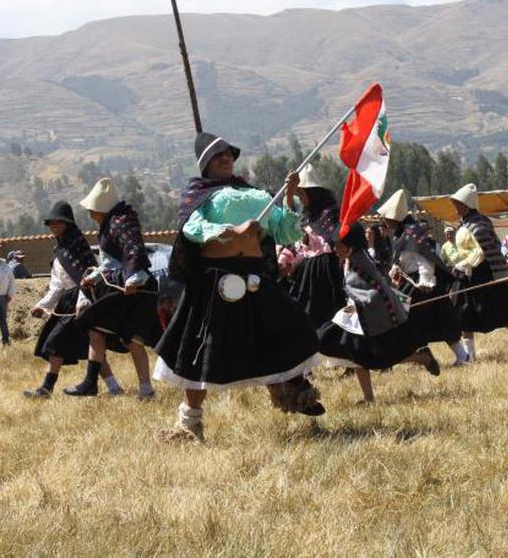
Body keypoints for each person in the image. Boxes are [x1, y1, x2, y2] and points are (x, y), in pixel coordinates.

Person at [153, 132, 324, 442]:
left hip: (255, 276)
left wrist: (288, 196)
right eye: (218, 155)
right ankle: (189, 424)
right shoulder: (198, 195)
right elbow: (193, 231)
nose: (226, 158)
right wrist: (234, 230)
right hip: (215, 280)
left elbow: (285, 233)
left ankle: (295, 393)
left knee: (288, 327)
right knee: (202, 351)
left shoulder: (255, 193)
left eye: (229, 153)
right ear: (205, 163)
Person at [317, 223, 439, 403]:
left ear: (350, 245)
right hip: (357, 314)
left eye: (339, 245)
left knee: (381, 357)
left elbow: (374, 291)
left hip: (371, 313)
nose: (335, 249)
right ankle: (369, 398)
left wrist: (358, 304)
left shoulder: (360, 262)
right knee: (355, 355)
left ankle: (421, 358)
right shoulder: (352, 258)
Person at [70, 177, 160, 400]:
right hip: (120, 284)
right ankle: (105, 384)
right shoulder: (110, 224)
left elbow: (134, 250)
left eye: (93, 210)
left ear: (102, 208)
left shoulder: (121, 222)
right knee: (111, 333)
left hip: (132, 287)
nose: (91, 214)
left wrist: (134, 278)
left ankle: (142, 390)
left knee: (125, 336)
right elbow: (109, 263)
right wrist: (93, 275)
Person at [444, 183, 508, 360]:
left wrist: (463, 265)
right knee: (465, 314)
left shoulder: (478, 225)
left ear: (466, 206)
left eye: (458, 205)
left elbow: (481, 253)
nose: (456, 208)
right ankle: (469, 357)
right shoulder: (468, 223)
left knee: (502, 313)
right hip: (470, 275)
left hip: (483, 274)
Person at [378, 189, 465, 365]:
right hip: (409, 284)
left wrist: (426, 281)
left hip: (422, 287)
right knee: (414, 324)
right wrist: (395, 269)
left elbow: (424, 259)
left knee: (441, 321)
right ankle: (421, 357)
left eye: (387, 217)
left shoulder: (412, 233)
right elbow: (403, 259)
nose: (384, 220)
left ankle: (462, 356)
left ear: (395, 216)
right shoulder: (401, 233)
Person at [23, 201, 98, 398]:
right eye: (51, 223)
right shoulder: (58, 253)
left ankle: (46, 389)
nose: (54, 226)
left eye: (58, 222)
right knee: (95, 346)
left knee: (56, 342)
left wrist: (83, 300)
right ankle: (114, 387)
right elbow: (56, 286)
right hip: (66, 302)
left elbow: (89, 276)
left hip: (82, 300)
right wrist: (42, 305)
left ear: (68, 224)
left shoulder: (79, 247)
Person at [286, 165, 346, 328]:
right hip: (308, 267)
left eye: (301, 194)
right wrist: (289, 192)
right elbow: (289, 216)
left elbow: (335, 238)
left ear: (313, 194)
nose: (300, 198)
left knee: (324, 306)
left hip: (325, 265)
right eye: (298, 194)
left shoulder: (329, 213)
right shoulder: (306, 215)